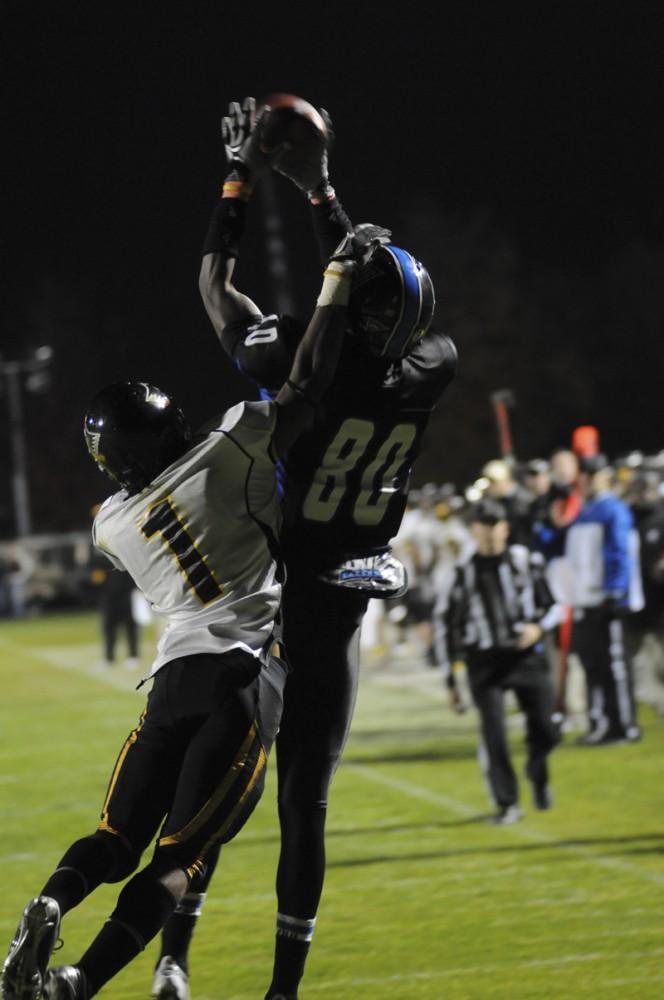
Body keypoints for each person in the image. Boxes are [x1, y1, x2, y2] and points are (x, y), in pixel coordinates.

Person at [0, 213, 366, 1000]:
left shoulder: (111, 526)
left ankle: (53, 898)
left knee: (115, 837)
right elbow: (302, 387)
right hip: (240, 680)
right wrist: (334, 284)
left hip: (170, 685)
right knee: (180, 860)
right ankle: (76, 984)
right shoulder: (230, 446)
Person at [153, 97, 457, 1000]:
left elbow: (218, 291)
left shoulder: (303, 360)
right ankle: (283, 991)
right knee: (304, 806)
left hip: (271, 598)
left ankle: (173, 958)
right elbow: (381, 293)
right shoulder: (434, 364)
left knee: (210, 790)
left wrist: (240, 180)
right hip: (342, 604)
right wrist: (325, 199)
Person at [434, 498, 562, 824]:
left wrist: (537, 628)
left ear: (505, 527)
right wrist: (451, 679)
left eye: (495, 524)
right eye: (483, 524)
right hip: (484, 662)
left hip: (526, 657)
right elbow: (447, 628)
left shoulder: (526, 562)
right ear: (473, 530)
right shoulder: (461, 573)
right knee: (494, 733)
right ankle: (508, 803)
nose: (490, 531)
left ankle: (537, 766)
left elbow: (555, 606)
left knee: (548, 729)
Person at [565, 454, 643, 744]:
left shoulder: (612, 510)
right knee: (593, 665)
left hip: (605, 600)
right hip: (586, 600)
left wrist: (615, 592)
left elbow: (619, 553)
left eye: (593, 474)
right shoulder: (584, 511)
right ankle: (602, 724)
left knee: (614, 665)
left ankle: (624, 725)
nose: (588, 480)